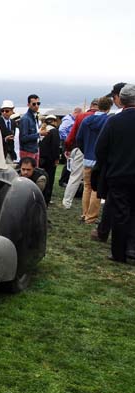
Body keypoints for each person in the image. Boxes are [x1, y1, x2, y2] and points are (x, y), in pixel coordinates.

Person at [94, 83, 135, 263]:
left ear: (122, 100)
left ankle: (119, 253)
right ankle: (132, 248)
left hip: (119, 174)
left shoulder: (114, 121)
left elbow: (100, 149)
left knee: (120, 213)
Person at [76, 96, 112, 224]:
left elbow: (79, 138)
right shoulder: (108, 121)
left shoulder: (86, 120)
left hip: (87, 158)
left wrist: (85, 150)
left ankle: (85, 213)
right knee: (97, 188)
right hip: (100, 159)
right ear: (109, 107)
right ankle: (91, 217)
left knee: (87, 187)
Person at [62, 99, 99, 210]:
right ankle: (92, 206)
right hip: (97, 151)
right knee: (94, 180)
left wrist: (68, 148)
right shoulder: (104, 118)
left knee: (75, 177)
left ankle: (67, 202)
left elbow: (72, 135)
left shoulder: (81, 116)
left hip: (81, 149)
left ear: (91, 105)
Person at [57, 107, 82, 186]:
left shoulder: (71, 119)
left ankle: (66, 180)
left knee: (70, 162)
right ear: (77, 113)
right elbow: (61, 130)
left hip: (69, 142)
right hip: (67, 142)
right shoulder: (68, 120)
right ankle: (63, 181)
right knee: (69, 162)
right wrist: (68, 138)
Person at [39, 115, 60, 205]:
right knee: (49, 179)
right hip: (50, 159)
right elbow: (55, 146)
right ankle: (47, 198)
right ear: (54, 121)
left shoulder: (42, 131)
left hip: (41, 158)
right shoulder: (54, 131)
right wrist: (56, 158)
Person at [19, 94, 45, 164]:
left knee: (35, 172)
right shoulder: (25, 119)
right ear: (28, 105)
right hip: (27, 151)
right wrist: (39, 134)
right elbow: (23, 138)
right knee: (27, 173)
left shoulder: (34, 117)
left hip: (34, 150)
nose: (36, 106)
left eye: (38, 103)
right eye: (34, 104)